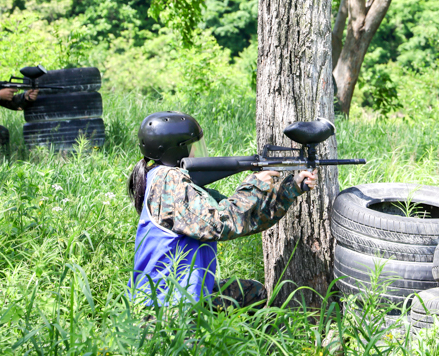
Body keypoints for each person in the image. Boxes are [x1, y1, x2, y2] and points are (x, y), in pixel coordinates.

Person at [128, 111, 317, 309]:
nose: (199, 152)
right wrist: (254, 186)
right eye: (194, 146)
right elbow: (220, 224)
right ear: (177, 151)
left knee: (252, 293)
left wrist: (291, 188)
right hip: (164, 310)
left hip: (183, 296)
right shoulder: (168, 180)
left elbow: (243, 218)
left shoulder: (167, 179)